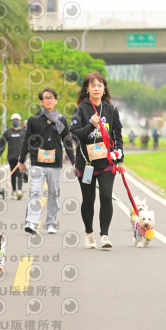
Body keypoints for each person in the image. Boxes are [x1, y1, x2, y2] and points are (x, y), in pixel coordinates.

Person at [70, 72, 125, 249]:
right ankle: (89, 234)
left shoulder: (111, 109)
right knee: (88, 199)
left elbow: (117, 135)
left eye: (99, 85)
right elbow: (75, 134)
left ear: (104, 89)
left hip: (106, 163)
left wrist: (120, 160)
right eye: (92, 85)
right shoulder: (80, 109)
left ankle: (104, 235)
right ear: (87, 89)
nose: (96, 88)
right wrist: (91, 125)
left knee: (106, 196)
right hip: (86, 164)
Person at [18, 88, 76, 235]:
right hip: (37, 162)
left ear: (56, 101)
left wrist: (74, 161)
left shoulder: (62, 120)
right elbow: (26, 140)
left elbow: (67, 141)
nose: (49, 100)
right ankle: (31, 223)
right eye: (46, 98)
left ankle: (51, 223)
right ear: (41, 102)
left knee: (53, 194)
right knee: (35, 192)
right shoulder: (33, 120)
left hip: (55, 163)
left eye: (52, 98)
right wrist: (21, 160)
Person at [0, 113, 25, 200]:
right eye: (14, 120)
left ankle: (19, 191)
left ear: (20, 121)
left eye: (17, 120)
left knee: (20, 173)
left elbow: (28, 143)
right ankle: (14, 191)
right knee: (13, 174)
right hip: (11, 157)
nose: (15, 122)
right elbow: (2, 144)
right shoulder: (8, 133)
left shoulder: (24, 132)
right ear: (12, 122)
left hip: (20, 157)